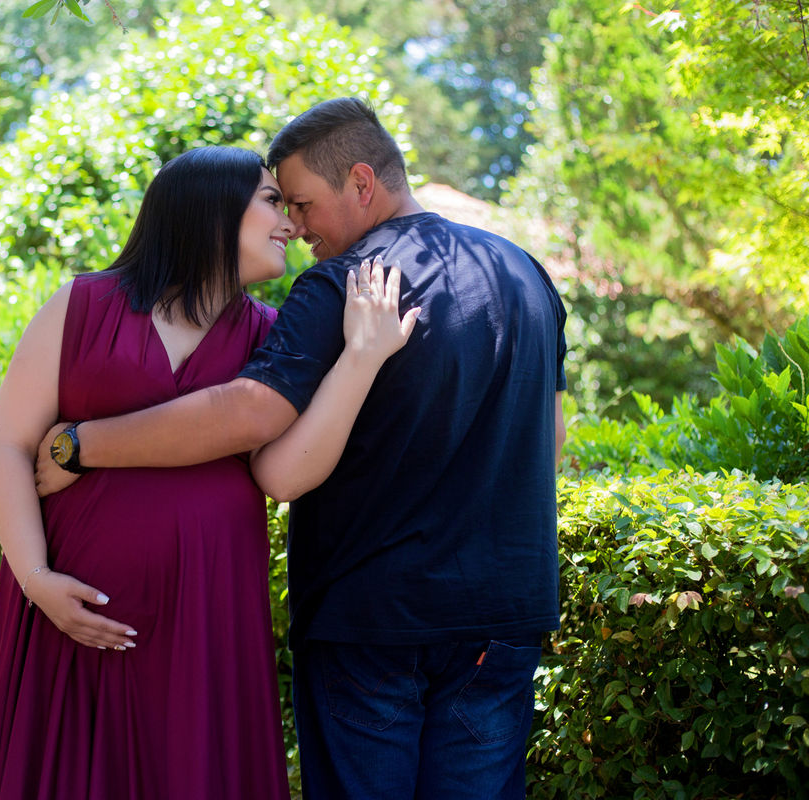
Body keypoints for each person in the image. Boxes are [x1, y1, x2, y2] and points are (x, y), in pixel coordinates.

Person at [34, 98, 568, 799]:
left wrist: (81, 443)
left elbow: (251, 414)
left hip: (373, 616)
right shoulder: (526, 273)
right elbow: (552, 437)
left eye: (303, 202)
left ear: (360, 183)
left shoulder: (347, 282)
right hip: (505, 613)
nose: (297, 224)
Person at [0, 145, 419, 800]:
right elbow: (6, 442)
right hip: (68, 611)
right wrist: (37, 580)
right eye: (270, 202)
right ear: (208, 208)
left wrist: (360, 360)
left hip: (206, 621)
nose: (289, 221)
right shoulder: (82, 305)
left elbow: (286, 473)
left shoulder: (273, 338)